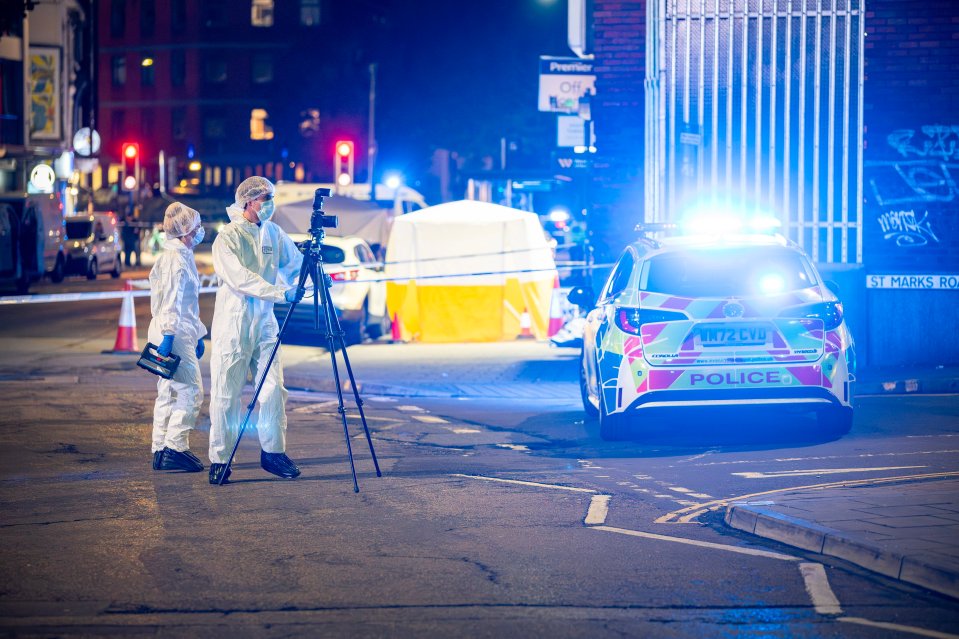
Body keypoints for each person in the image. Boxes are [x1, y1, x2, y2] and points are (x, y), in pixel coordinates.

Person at [208, 176, 305, 485]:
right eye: (266, 198)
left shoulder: (274, 233)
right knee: (226, 394)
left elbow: (295, 264)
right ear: (249, 202)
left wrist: (316, 278)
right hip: (234, 325)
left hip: (264, 324)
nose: (270, 203)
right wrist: (281, 292)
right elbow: (240, 278)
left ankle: (273, 452)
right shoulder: (228, 238)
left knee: (274, 389)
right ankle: (220, 458)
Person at [148, 202, 207, 473]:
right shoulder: (176, 260)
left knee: (168, 392)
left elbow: (186, 303)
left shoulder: (176, 255)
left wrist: (199, 333)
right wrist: (170, 336)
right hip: (173, 331)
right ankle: (175, 447)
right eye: (196, 228)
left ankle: (160, 449)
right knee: (191, 391)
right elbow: (172, 301)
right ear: (185, 231)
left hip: (173, 329)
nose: (199, 232)